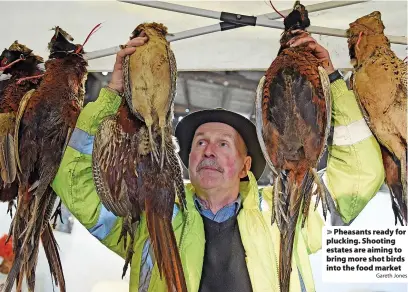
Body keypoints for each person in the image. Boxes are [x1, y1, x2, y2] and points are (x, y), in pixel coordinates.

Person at [51, 31, 385, 292]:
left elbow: (360, 175)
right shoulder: (153, 219)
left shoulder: (286, 213)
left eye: (223, 143)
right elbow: (75, 186)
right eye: (200, 143)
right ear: (189, 159)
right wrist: (113, 94)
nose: (208, 150)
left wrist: (334, 82)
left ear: (246, 166)